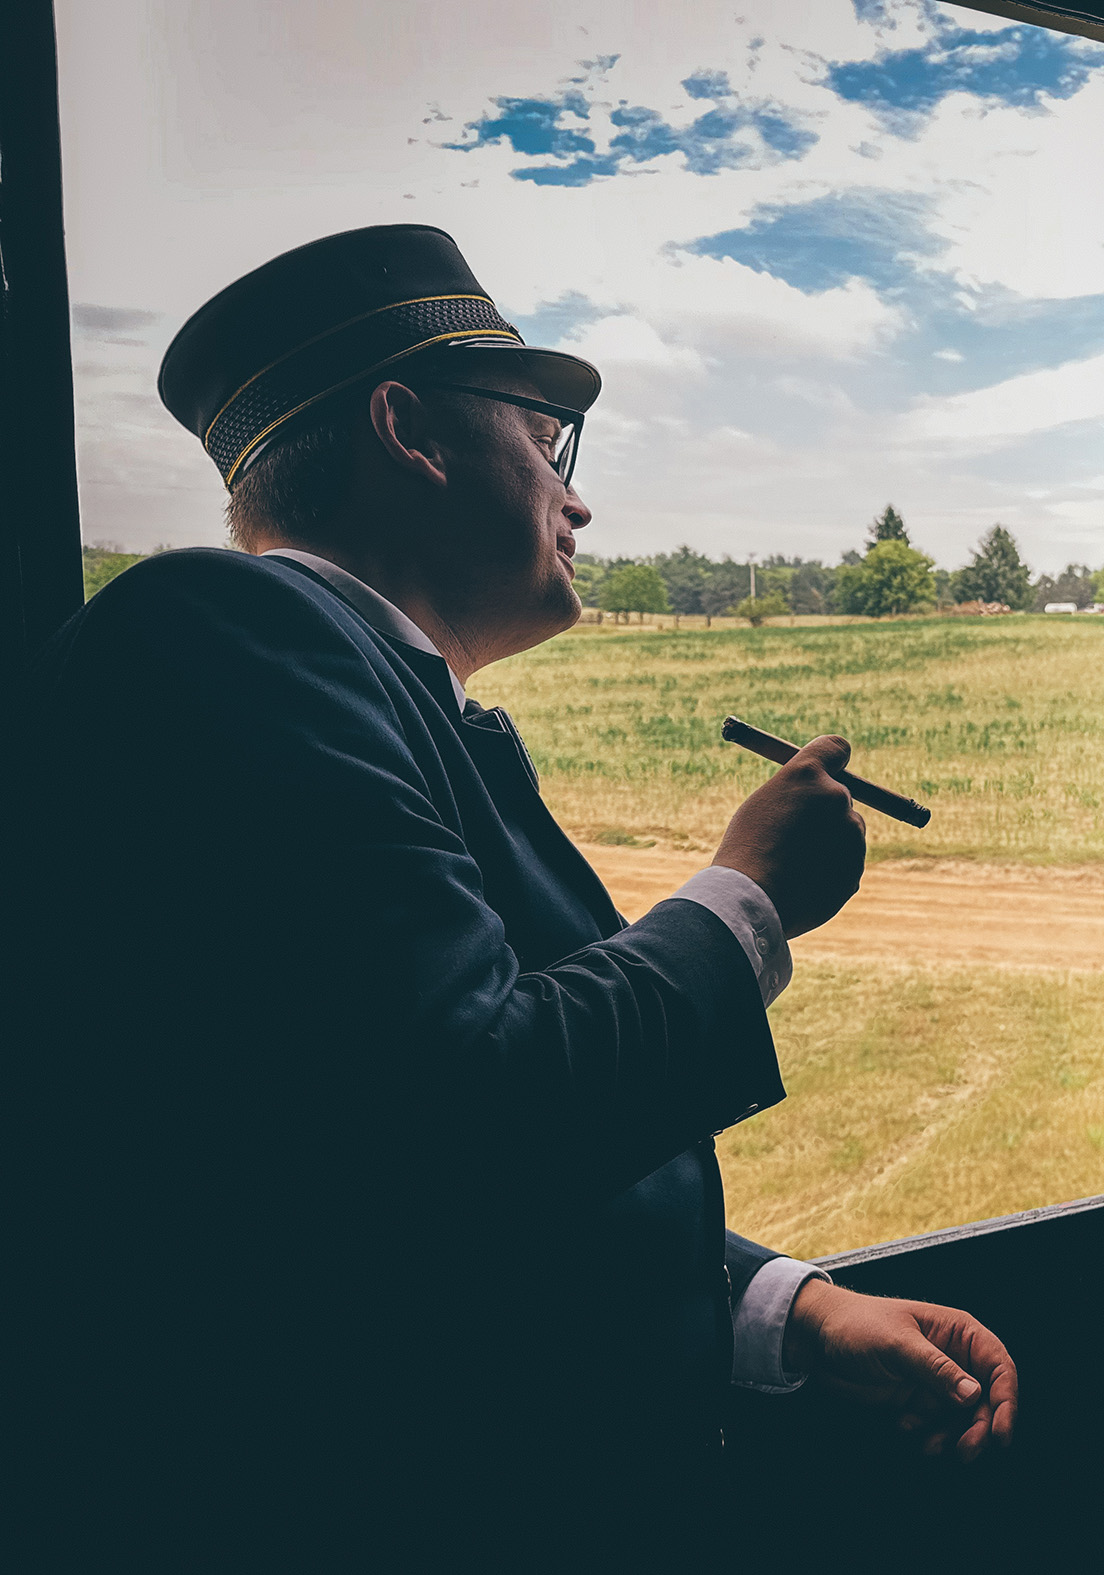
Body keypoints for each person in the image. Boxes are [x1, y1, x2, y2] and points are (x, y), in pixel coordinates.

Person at [10, 225, 1016, 1566]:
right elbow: (467, 1114)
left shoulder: (373, 695)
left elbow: (364, 1189)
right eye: (548, 443)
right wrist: (749, 896)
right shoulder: (227, 631)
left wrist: (784, 1305)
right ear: (408, 430)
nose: (577, 501)